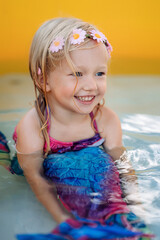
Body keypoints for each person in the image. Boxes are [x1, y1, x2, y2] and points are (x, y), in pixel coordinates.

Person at [0, 17, 154, 239]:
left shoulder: (105, 120)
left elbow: (123, 168)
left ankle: (116, 218)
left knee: (97, 161)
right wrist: (63, 219)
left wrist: (136, 208)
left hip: (87, 170)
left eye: (99, 73)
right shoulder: (33, 126)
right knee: (66, 162)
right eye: (77, 74)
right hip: (38, 165)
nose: (91, 85)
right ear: (44, 80)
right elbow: (35, 177)